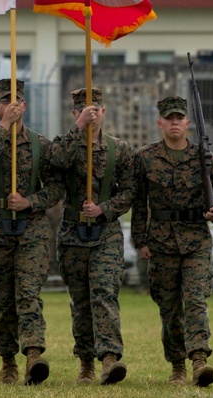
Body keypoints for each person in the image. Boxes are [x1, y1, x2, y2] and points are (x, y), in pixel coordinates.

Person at [0, 79, 61, 385]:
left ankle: (34, 353)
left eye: (17, 101)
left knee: (29, 292)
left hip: (32, 227)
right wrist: (4, 126)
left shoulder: (41, 145)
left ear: (25, 105)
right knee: (4, 298)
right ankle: (8, 360)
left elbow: (56, 188)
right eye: (5, 101)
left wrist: (30, 201)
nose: (12, 105)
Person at [132, 96, 213, 387]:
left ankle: (199, 361)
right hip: (161, 243)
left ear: (188, 123)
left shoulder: (205, 159)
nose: (174, 122)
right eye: (168, 118)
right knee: (170, 308)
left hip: (196, 239)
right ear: (160, 122)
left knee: (196, 301)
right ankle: (177, 366)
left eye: (179, 118)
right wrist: (140, 240)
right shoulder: (145, 158)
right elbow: (138, 202)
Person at [49, 87, 135, 385]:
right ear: (75, 113)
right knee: (81, 299)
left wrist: (103, 208)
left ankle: (110, 357)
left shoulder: (119, 149)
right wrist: (79, 128)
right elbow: (55, 161)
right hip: (73, 233)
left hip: (105, 233)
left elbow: (129, 192)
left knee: (104, 293)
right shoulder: (66, 143)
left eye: (96, 108)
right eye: (85, 109)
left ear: (105, 111)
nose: (92, 113)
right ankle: (85, 362)